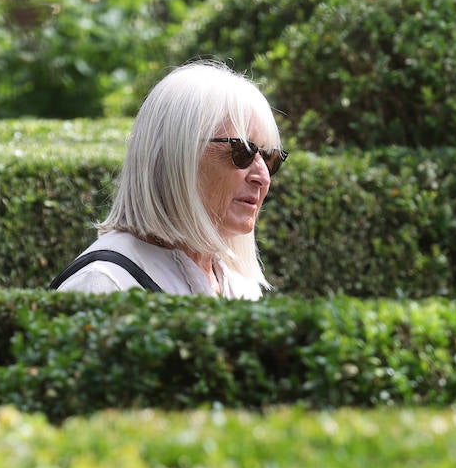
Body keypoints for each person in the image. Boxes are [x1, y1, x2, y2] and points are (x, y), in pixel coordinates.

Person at [50, 60, 284, 299]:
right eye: (242, 151)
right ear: (178, 156)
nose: (262, 177)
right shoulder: (104, 285)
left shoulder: (239, 286)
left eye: (269, 157)